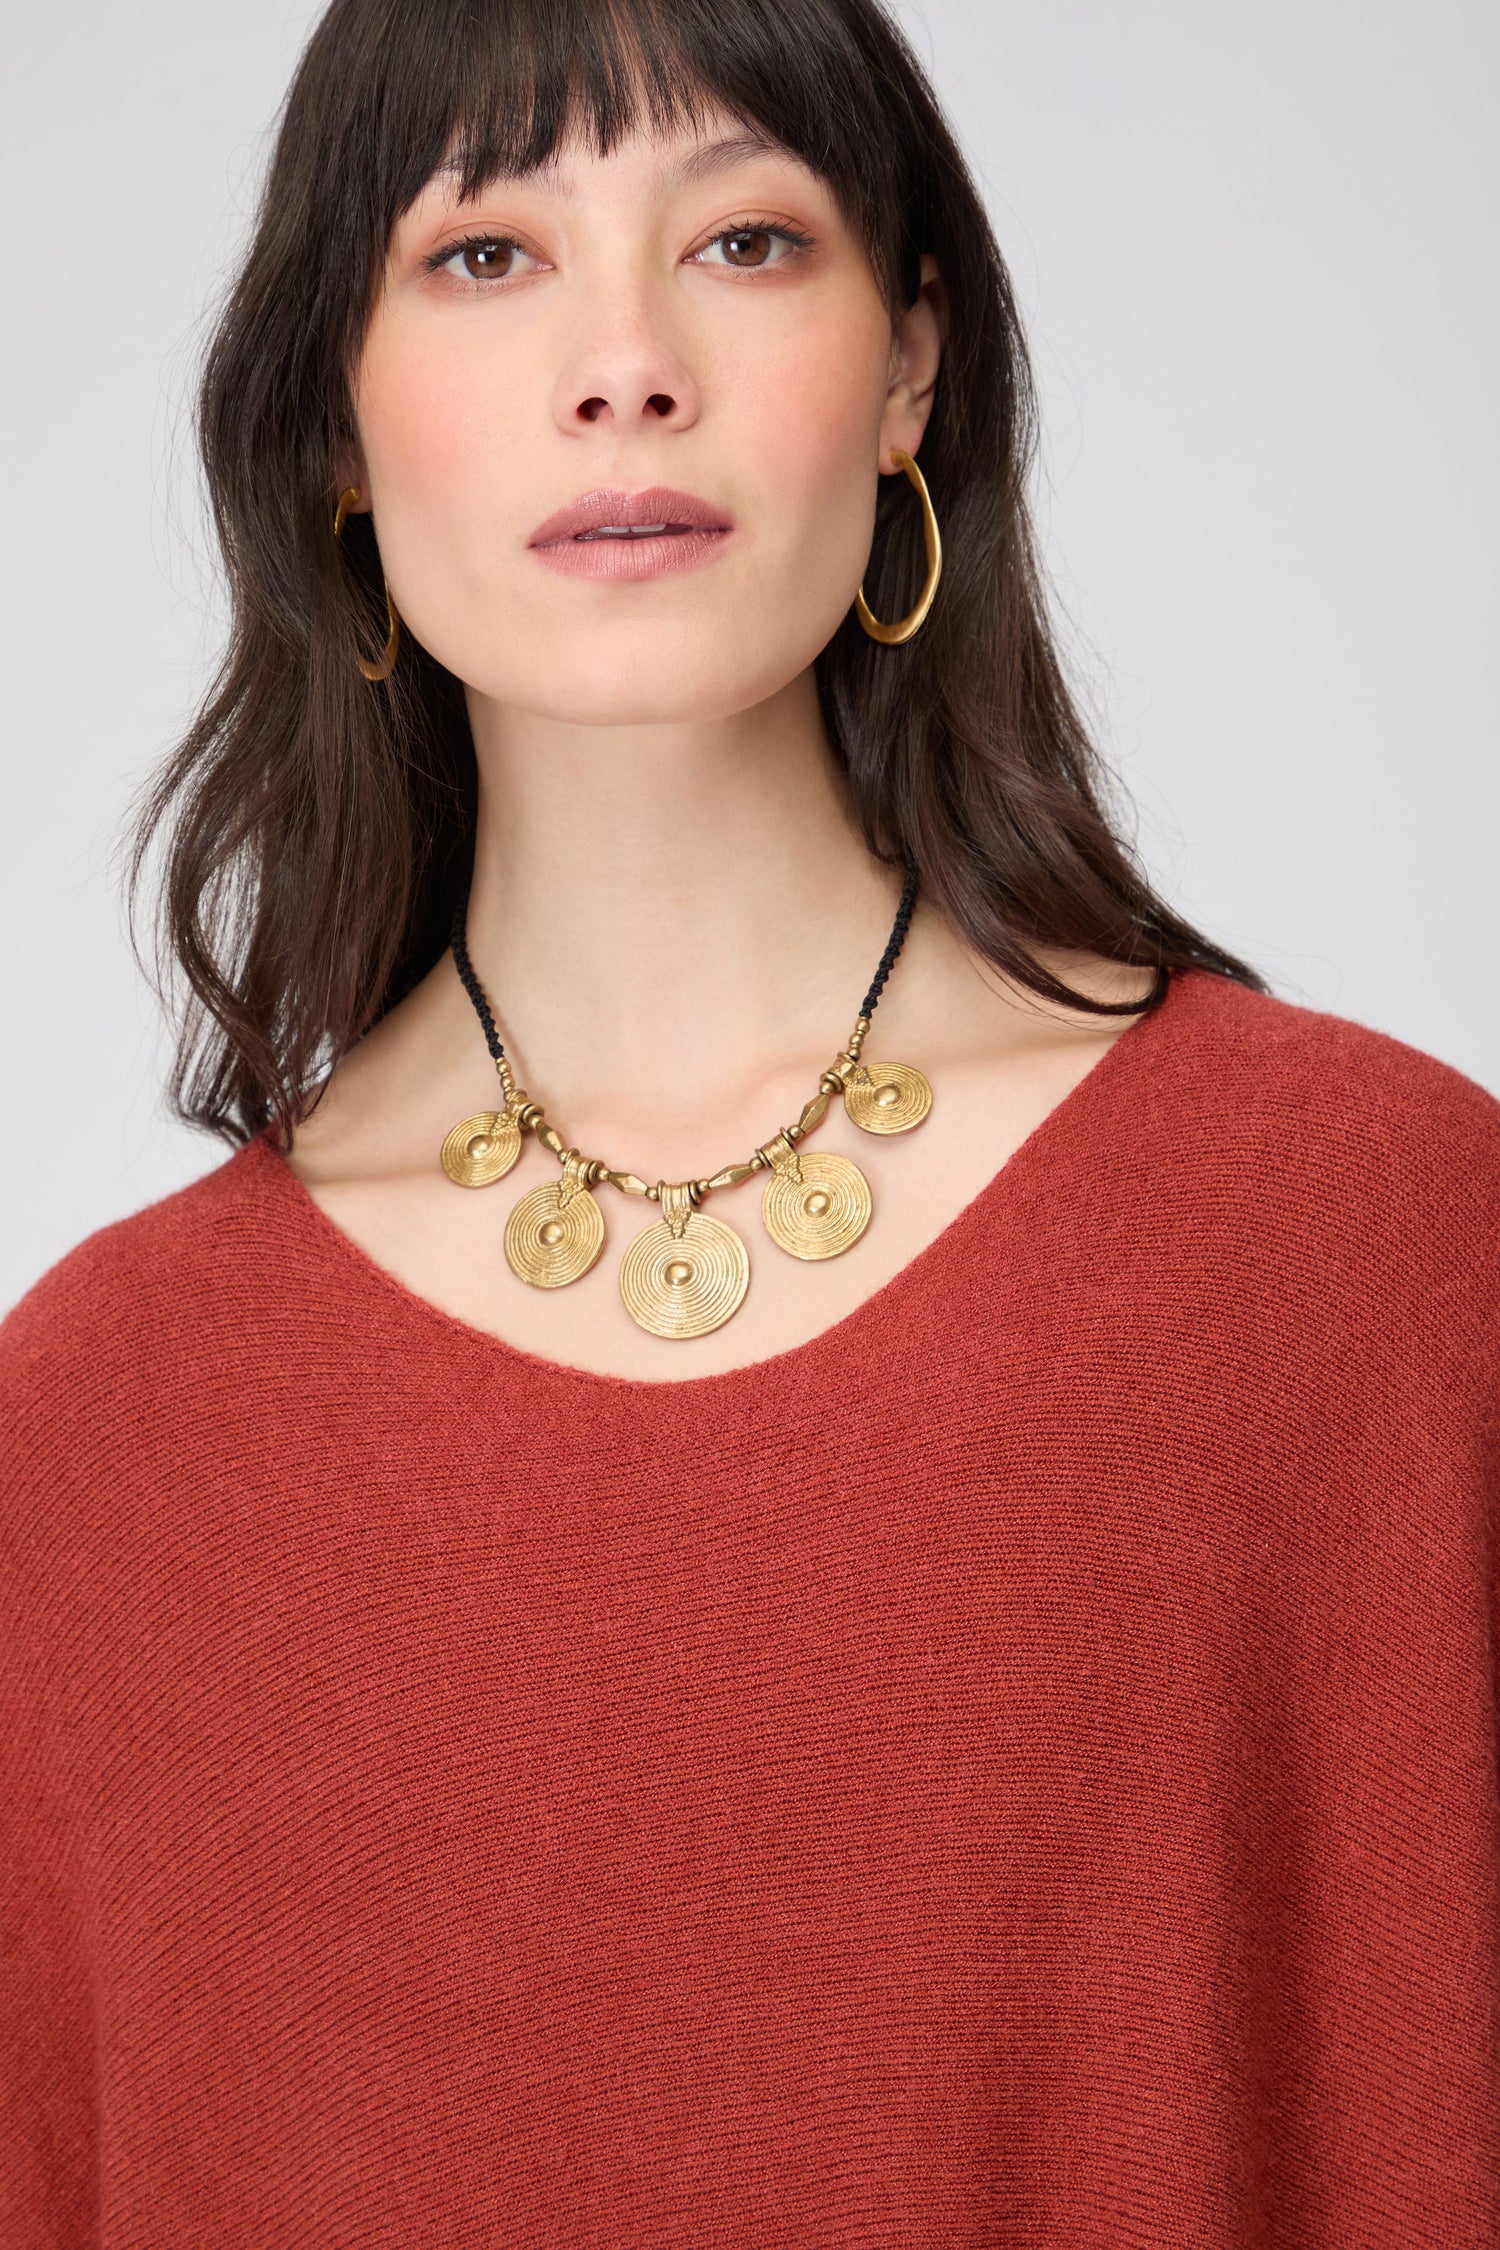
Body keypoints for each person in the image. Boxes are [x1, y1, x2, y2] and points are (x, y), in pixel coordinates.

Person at [2, 0, 1496, 2240]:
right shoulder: (91, 1437)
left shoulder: (1375, 1242)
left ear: (911, 371)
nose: (626, 364)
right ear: (329, 412)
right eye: (487, 255)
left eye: (746, 242)